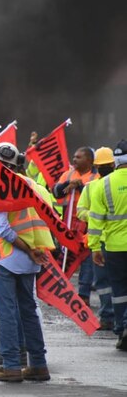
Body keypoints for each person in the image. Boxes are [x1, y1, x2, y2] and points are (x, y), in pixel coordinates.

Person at [0, 144, 54, 382]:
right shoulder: (34, 185)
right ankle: (38, 365)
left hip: (7, 257)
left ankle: (11, 366)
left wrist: (28, 249)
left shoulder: (0, 186)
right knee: (28, 311)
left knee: (7, 312)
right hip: (31, 259)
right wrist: (34, 249)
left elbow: (3, 229)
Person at [89, 140, 127, 352]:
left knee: (119, 290)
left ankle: (122, 328)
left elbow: (95, 219)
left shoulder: (103, 184)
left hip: (114, 247)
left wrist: (95, 247)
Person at [52, 147, 99, 304]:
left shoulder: (96, 177)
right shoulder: (69, 174)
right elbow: (56, 191)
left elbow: (96, 196)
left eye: (78, 157)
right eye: (74, 156)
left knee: (86, 259)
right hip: (68, 223)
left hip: (87, 224)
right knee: (64, 257)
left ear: (89, 160)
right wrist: (67, 184)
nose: (74, 160)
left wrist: (80, 187)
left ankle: (84, 294)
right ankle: (57, 291)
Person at [78, 147, 115, 331]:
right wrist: (95, 215)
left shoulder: (113, 184)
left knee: (110, 281)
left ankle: (114, 316)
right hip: (101, 240)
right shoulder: (91, 187)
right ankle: (108, 316)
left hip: (108, 241)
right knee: (104, 282)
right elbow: (80, 211)